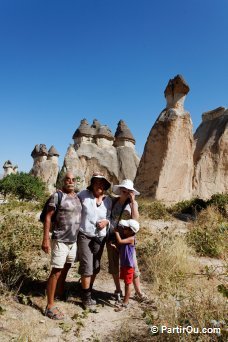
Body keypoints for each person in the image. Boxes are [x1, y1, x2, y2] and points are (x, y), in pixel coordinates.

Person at [42, 171, 82, 320]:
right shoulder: (57, 196)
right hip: (60, 239)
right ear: (63, 181)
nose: (70, 182)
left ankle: (59, 292)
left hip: (73, 240)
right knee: (56, 271)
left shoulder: (77, 197)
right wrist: (46, 239)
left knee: (66, 268)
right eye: (67, 179)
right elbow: (48, 217)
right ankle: (49, 306)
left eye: (73, 179)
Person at [107, 179, 147, 302]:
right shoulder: (113, 202)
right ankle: (118, 290)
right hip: (113, 237)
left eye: (128, 191)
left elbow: (135, 220)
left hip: (127, 239)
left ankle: (139, 292)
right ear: (120, 190)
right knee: (114, 265)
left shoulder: (132, 204)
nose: (126, 193)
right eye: (124, 191)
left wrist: (133, 201)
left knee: (132, 265)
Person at [77, 172, 112, 308]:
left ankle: (87, 290)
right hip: (85, 235)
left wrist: (106, 222)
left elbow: (110, 217)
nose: (99, 185)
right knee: (87, 266)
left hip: (100, 237)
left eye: (102, 183)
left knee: (96, 266)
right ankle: (86, 299)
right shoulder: (83, 195)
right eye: (97, 182)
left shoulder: (108, 201)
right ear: (92, 184)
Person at [113, 219, 140, 310]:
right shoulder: (127, 238)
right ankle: (125, 300)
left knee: (128, 284)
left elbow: (120, 241)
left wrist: (116, 232)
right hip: (124, 265)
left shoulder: (131, 239)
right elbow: (122, 251)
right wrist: (115, 248)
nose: (123, 229)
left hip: (128, 266)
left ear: (131, 231)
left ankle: (125, 302)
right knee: (126, 283)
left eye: (125, 228)